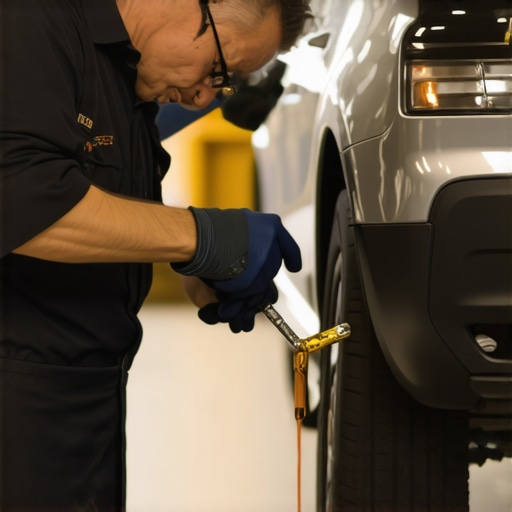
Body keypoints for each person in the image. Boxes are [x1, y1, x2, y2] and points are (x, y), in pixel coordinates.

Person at [0, 0, 312, 510]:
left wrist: (198, 268)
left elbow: (107, 214)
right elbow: (19, 196)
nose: (200, 99)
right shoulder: (31, 20)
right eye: (218, 70)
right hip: (16, 398)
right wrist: (201, 235)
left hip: (88, 400)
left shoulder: (129, 79)